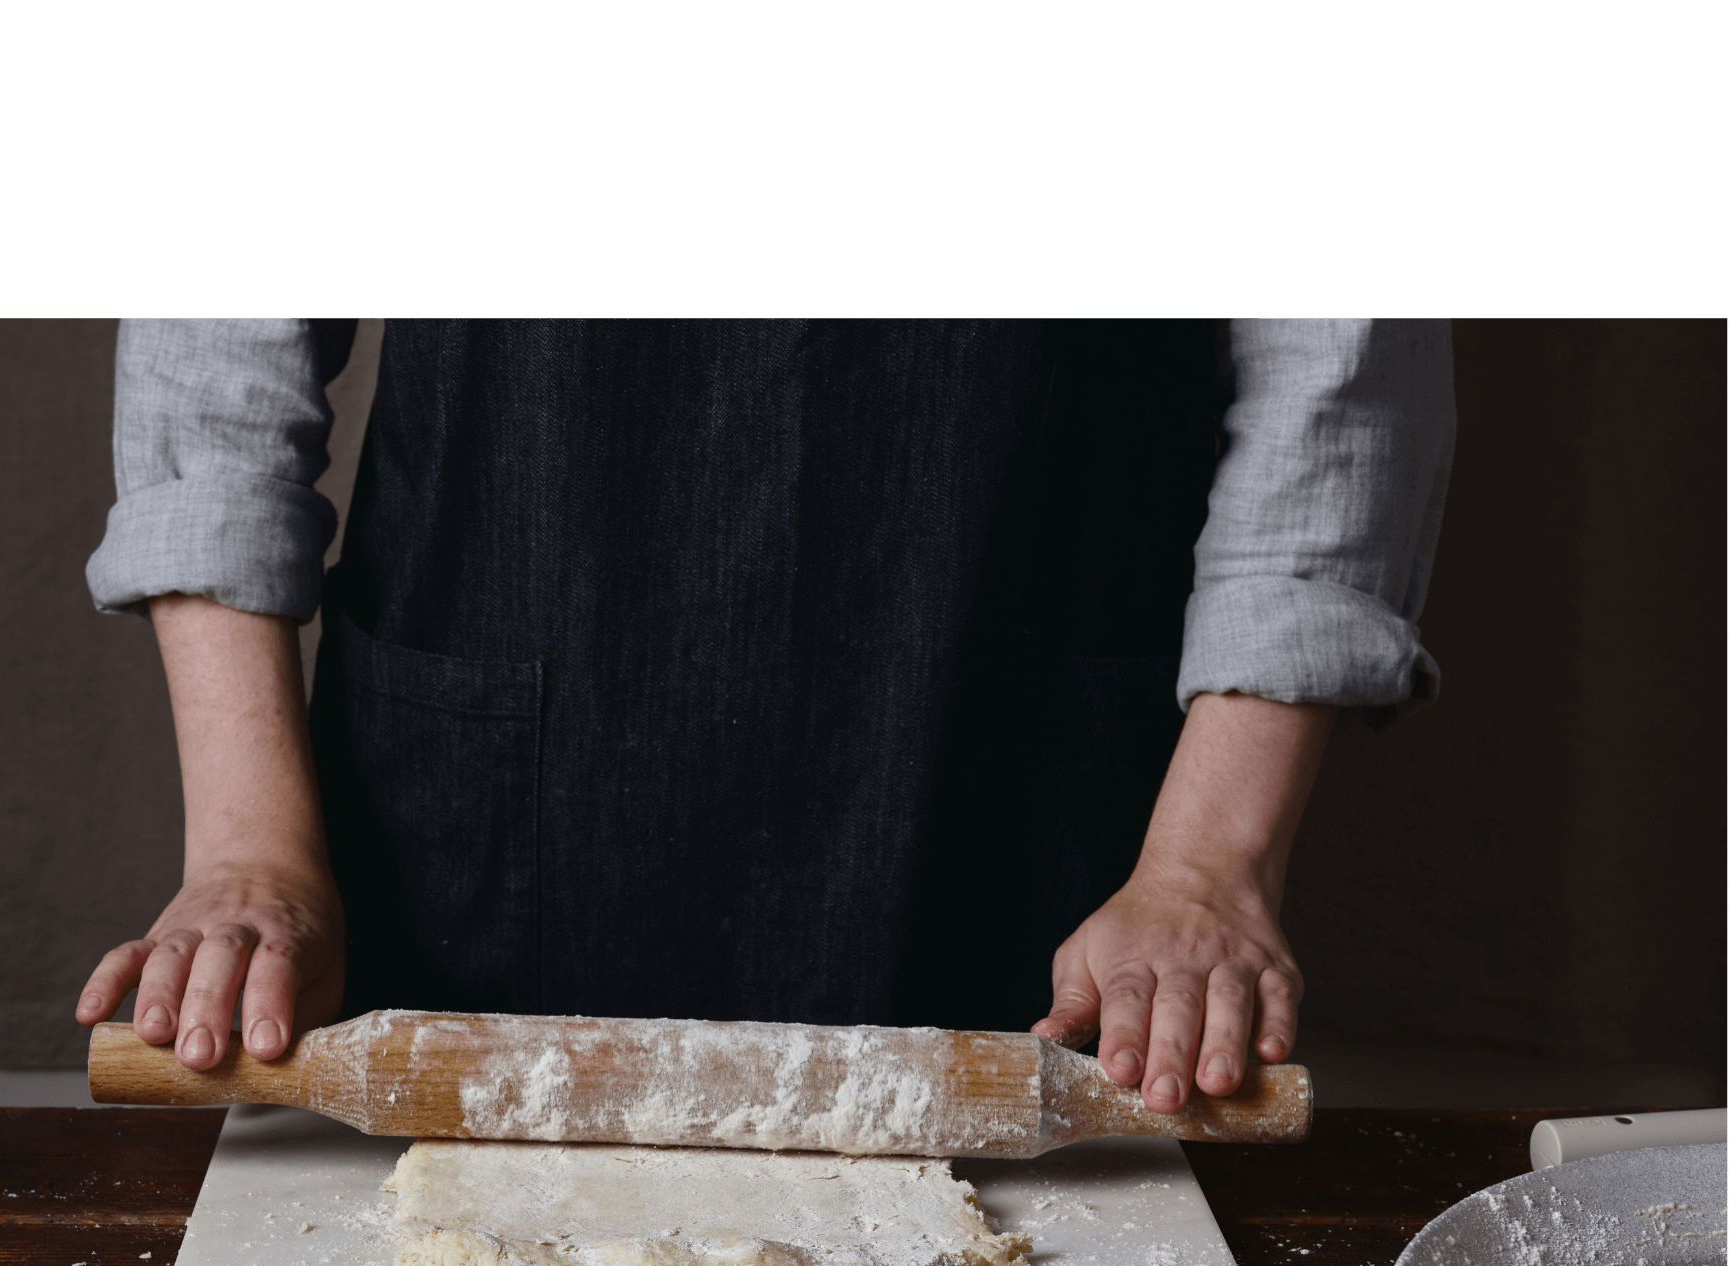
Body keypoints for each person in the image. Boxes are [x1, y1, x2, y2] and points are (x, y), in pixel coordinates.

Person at [75, 319, 1453, 1118]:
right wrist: (252, 852)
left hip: (1029, 799)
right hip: (494, 796)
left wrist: (1208, 862)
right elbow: (219, 355)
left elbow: (1335, 369)